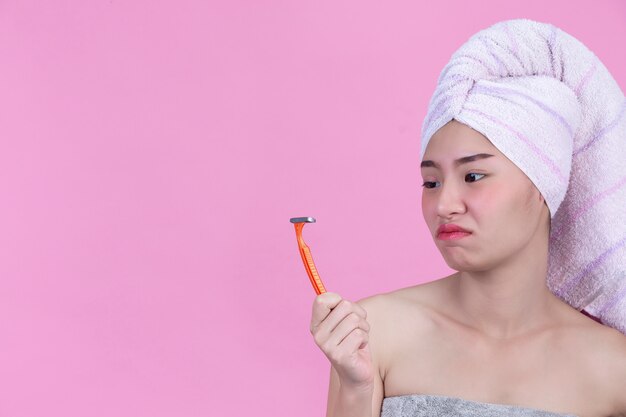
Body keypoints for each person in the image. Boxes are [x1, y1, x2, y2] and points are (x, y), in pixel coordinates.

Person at [309, 18, 626, 417]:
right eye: (431, 182)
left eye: (473, 176)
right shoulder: (374, 332)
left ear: (544, 184)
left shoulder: (613, 369)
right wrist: (356, 387)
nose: (445, 204)